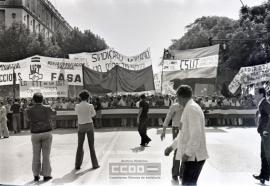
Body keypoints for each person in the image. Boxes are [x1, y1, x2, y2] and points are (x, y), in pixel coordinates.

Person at [165, 85, 209, 185]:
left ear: (181, 97)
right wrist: (172, 147)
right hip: (192, 157)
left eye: (177, 98)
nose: (177, 100)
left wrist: (188, 153)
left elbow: (196, 134)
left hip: (194, 157)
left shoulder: (192, 109)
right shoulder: (188, 108)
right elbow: (183, 133)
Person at [27, 93, 53, 182]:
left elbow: (28, 119)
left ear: (33, 100)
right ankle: (46, 175)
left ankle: (36, 175)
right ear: (43, 99)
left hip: (35, 133)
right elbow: (54, 114)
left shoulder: (29, 109)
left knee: (35, 155)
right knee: (46, 155)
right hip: (46, 132)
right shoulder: (47, 107)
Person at [75, 90, 99, 170]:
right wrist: (88, 115)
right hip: (89, 124)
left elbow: (77, 113)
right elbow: (94, 114)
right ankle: (95, 164)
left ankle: (77, 165)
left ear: (80, 97)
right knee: (91, 146)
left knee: (80, 145)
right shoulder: (90, 105)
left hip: (81, 125)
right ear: (88, 97)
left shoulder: (77, 106)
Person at [161, 100, 183, 183]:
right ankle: (175, 173)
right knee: (177, 151)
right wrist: (163, 130)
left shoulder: (189, 106)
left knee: (185, 151)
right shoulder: (174, 106)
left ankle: (182, 173)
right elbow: (168, 117)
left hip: (186, 129)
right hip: (176, 129)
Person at [253, 87, 270, 184]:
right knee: (264, 154)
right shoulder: (262, 104)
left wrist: (266, 130)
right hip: (264, 134)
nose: (255, 95)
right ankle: (263, 176)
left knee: (266, 155)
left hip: (267, 134)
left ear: (262, 94)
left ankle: (264, 175)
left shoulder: (266, 104)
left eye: (256, 93)